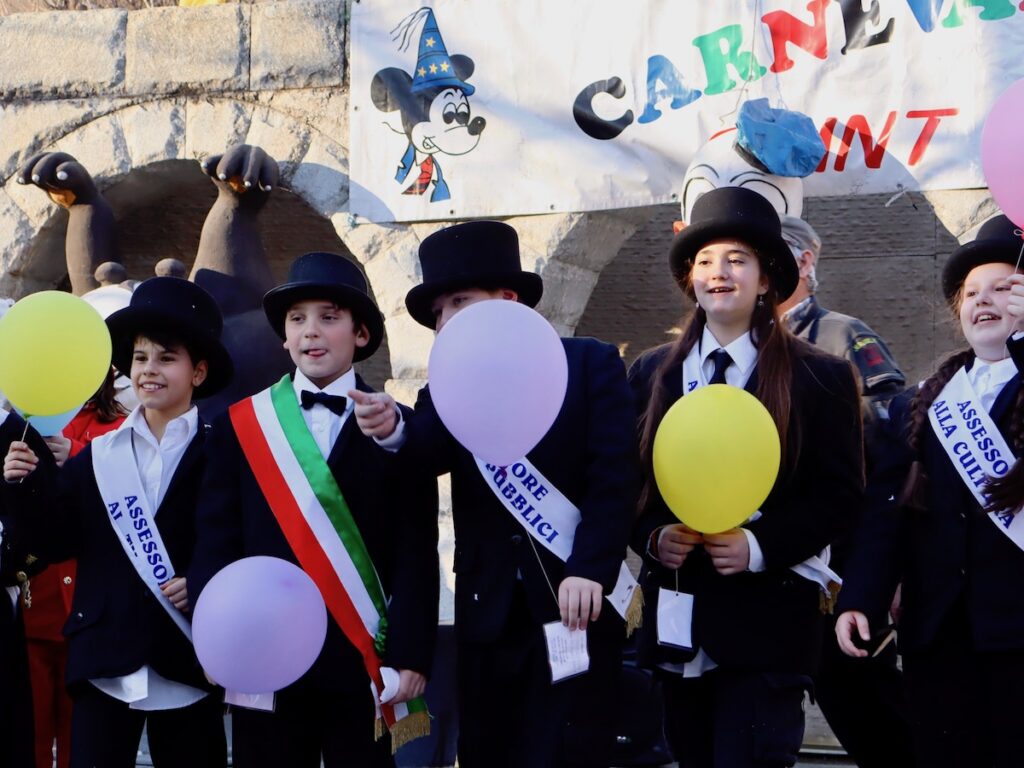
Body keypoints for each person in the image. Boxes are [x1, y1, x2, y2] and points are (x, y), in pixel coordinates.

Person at [352, 220, 639, 768]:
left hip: (572, 603)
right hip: (487, 615)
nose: (444, 322)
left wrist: (589, 567)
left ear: (507, 300)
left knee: (569, 751)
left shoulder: (588, 363)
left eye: (458, 302)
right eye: (437, 313)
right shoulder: (446, 387)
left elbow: (615, 476)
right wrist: (393, 428)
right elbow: (427, 450)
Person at [629, 187, 863, 767]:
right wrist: (656, 537)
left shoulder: (822, 377)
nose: (719, 273)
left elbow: (840, 495)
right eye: (705, 261)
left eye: (737, 259)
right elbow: (625, 485)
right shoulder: (650, 374)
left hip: (769, 627)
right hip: (677, 622)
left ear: (766, 280)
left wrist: (759, 547)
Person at [188, 252, 439, 768]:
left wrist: (412, 655)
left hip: (362, 649)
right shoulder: (242, 424)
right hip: (264, 649)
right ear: (283, 337)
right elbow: (216, 537)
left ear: (361, 334)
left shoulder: (402, 430)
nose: (311, 332)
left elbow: (416, 549)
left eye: (329, 317)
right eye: (297, 319)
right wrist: (213, 636)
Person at [3, 277, 232, 768]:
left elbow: (234, 536)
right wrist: (24, 486)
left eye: (167, 358)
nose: (149, 371)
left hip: (187, 659)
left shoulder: (224, 451)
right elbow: (55, 541)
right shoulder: (98, 456)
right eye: (140, 358)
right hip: (104, 660)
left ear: (199, 371)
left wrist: (205, 582)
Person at [836, 214, 1024, 768]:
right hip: (938, 632)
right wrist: (862, 596)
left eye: (1006, 288)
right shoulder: (926, 403)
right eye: (971, 293)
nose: (984, 300)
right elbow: (886, 514)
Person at [777, 214, 913, 768]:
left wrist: (890, 570)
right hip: (781, 565)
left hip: (846, 568)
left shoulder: (841, 336)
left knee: (869, 702)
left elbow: (894, 451)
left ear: (805, 262)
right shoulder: (733, 345)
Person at [18, 367, 128, 768]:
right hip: (32, 609)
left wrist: (77, 459)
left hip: (91, 616)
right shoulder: (18, 427)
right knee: (27, 735)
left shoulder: (121, 428)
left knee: (83, 746)